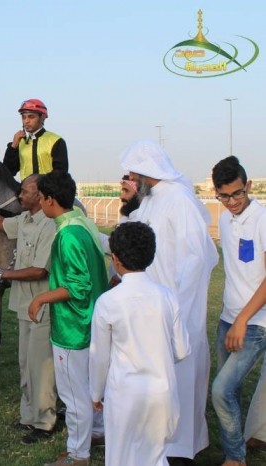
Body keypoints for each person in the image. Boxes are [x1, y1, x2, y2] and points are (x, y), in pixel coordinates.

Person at [120, 140, 218, 465]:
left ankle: (180, 453)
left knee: (179, 384)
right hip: (151, 310)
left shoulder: (179, 201)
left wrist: (175, 310)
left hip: (178, 314)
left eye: (134, 174)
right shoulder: (148, 202)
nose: (131, 180)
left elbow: (197, 260)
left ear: (149, 172)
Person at [0, 175, 57, 444]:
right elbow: (1, 223)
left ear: (40, 196)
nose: (19, 196)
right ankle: (28, 416)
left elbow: (40, 269)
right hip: (24, 305)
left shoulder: (49, 225)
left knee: (41, 367)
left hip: (41, 304)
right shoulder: (24, 220)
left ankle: (45, 422)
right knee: (25, 363)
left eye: (24, 191)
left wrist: (0, 272)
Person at [90, 222, 191, 466]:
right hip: (162, 394)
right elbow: (181, 350)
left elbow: (99, 357)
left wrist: (95, 392)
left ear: (115, 258)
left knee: (120, 458)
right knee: (156, 457)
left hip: (124, 394)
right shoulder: (167, 296)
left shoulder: (108, 302)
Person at [28, 171, 108, 466]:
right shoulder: (83, 223)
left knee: (74, 395)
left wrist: (40, 298)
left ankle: (78, 455)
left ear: (49, 200)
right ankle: (96, 433)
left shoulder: (67, 235)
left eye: (40, 199)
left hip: (74, 328)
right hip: (91, 324)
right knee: (91, 387)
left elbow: (77, 286)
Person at [210, 156, 266, 466]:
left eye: (237, 193)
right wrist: (231, 318)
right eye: (224, 195)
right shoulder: (224, 219)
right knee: (228, 390)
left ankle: (235, 457)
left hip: (255, 323)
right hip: (227, 319)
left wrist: (243, 320)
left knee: (220, 390)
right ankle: (239, 443)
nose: (231, 201)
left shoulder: (262, 219)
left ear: (248, 186)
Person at [3, 98, 68, 179]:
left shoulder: (56, 141)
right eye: (23, 117)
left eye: (31, 117)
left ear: (42, 117)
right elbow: (8, 172)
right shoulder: (20, 142)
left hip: (48, 191)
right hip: (25, 190)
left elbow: (61, 174)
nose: (26, 121)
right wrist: (13, 147)